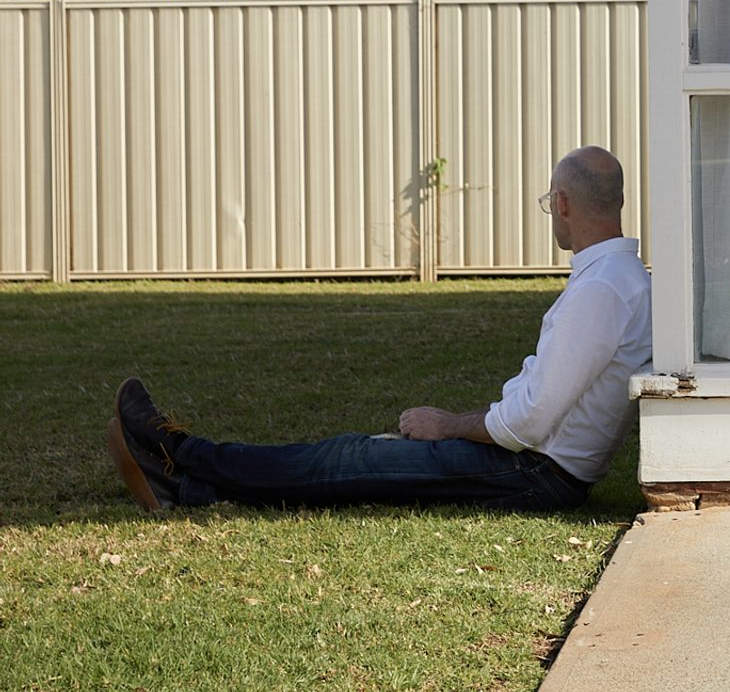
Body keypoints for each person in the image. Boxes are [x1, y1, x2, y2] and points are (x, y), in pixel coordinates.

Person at [105, 146, 653, 512]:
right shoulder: (618, 279)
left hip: (533, 475)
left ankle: (177, 451)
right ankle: (188, 485)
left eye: (547, 202)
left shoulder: (603, 289)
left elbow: (531, 422)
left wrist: (448, 424)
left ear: (561, 203)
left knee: (349, 459)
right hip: (536, 468)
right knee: (358, 456)